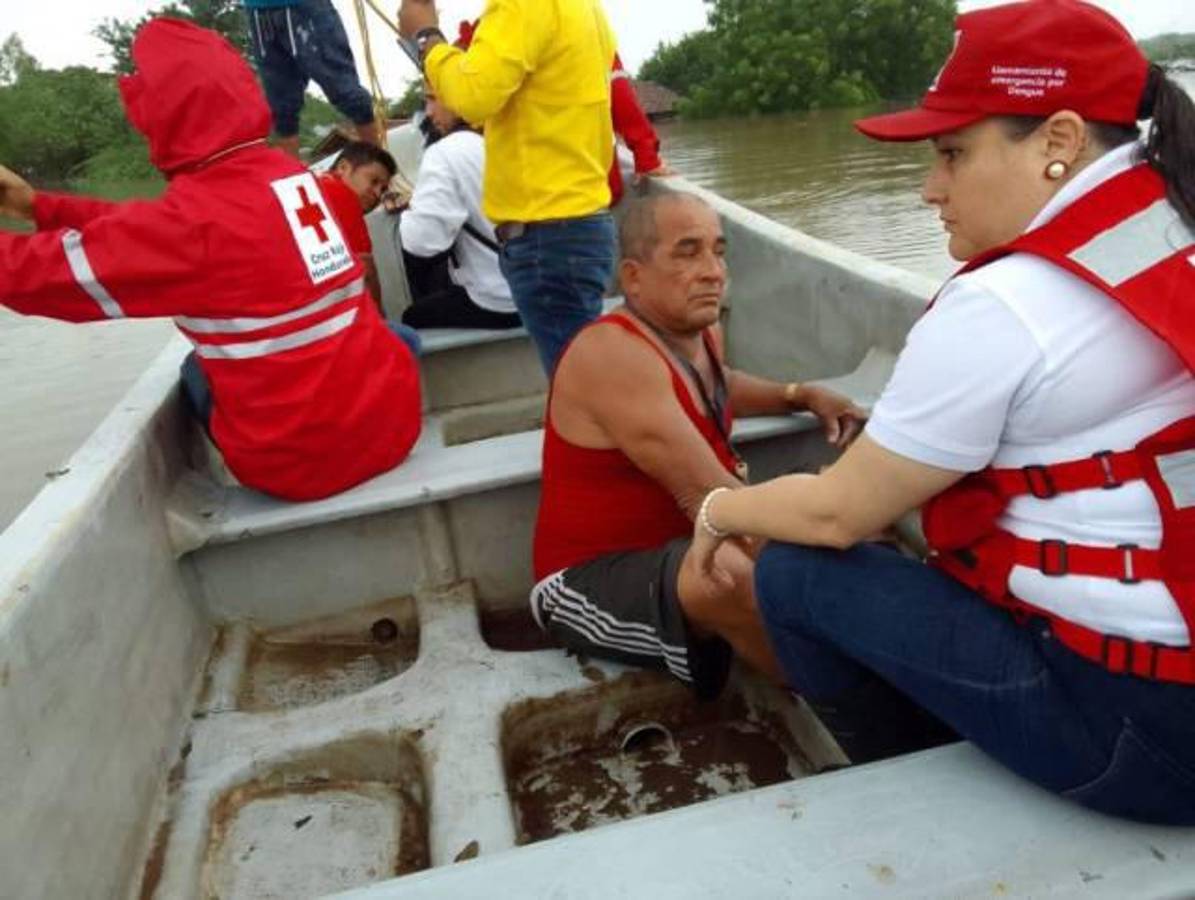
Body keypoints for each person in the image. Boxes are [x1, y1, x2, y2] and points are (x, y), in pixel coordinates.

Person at [685, 0, 1195, 824]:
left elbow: (833, 513)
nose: (930, 189)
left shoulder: (1008, 301)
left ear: (1059, 144)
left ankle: (918, 795)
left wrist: (717, 509)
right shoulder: (1171, 216)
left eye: (953, 154)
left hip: (1146, 740)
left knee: (795, 572)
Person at [0, 18, 421, 502]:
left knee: (195, 371)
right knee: (393, 337)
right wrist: (39, 207)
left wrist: (42, 213)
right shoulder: (293, 177)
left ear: (161, 113)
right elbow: (149, 229)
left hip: (302, 469)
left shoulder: (189, 224)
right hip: (392, 429)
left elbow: (34, 273)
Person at [530, 192, 864, 698]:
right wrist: (829, 532)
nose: (713, 271)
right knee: (730, 572)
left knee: (842, 518)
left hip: (685, 547)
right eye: (687, 252)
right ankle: (841, 702)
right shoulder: (613, 354)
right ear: (633, 276)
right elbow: (710, 500)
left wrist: (799, 395)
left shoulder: (698, 333)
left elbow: (716, 385)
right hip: (582, 587)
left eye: (719, 250)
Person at [398, 0, 617, 373]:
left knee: (580, 397)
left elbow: (473, 95)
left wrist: (426, 38)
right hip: (580, 229)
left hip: (547, 240)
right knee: (583, 387)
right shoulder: (583, 9)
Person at [396, 86, 520, 331]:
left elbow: (421, 243)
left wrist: (411, 210)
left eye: (433, 99)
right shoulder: (515, 134)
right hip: (549, 288)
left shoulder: (446, 151)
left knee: (412, 318)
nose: (428, 113)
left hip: (502, 300)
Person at [243, 0, 382, 157]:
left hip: (306, 7)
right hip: (258, 12)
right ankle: (293, 177)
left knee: (345, 91)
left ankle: (378, 168)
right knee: (281, 108)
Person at [319, 141, 398, 313]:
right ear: (343, 167)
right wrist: (380, 323)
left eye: (383, 189)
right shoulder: (341, 194)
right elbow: (366, 273)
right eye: (373, 180)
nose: (377, 193)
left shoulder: (311, 187)